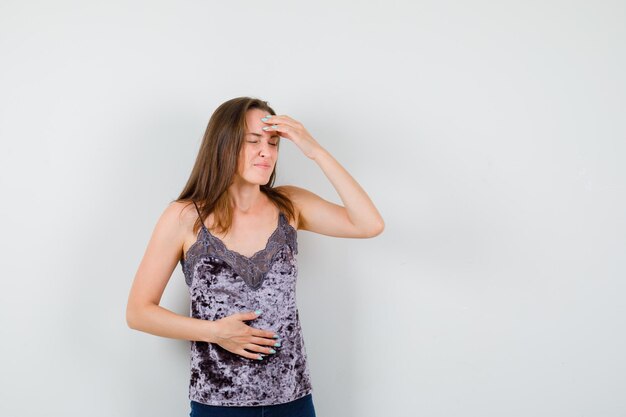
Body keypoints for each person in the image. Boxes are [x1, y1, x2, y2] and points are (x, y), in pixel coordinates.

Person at [125, 97, 384, 416]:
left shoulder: (290, 205)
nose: (267, 152)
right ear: (223, 145)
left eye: (274, 143)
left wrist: (315, 151)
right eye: (253, 141)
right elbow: (138, 312)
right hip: (217, 404)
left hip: (293, 401)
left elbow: (369, 224)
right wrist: (214, 332)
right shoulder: (184, 217)